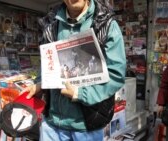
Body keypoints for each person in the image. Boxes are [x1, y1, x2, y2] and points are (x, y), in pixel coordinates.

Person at [22, 0, 126, 141]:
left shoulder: (106, 25)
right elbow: (47, 63)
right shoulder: (51, 23)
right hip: (52, 125)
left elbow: (116, 74)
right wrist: (40, 83)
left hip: (86, 127)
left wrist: (80, 93)